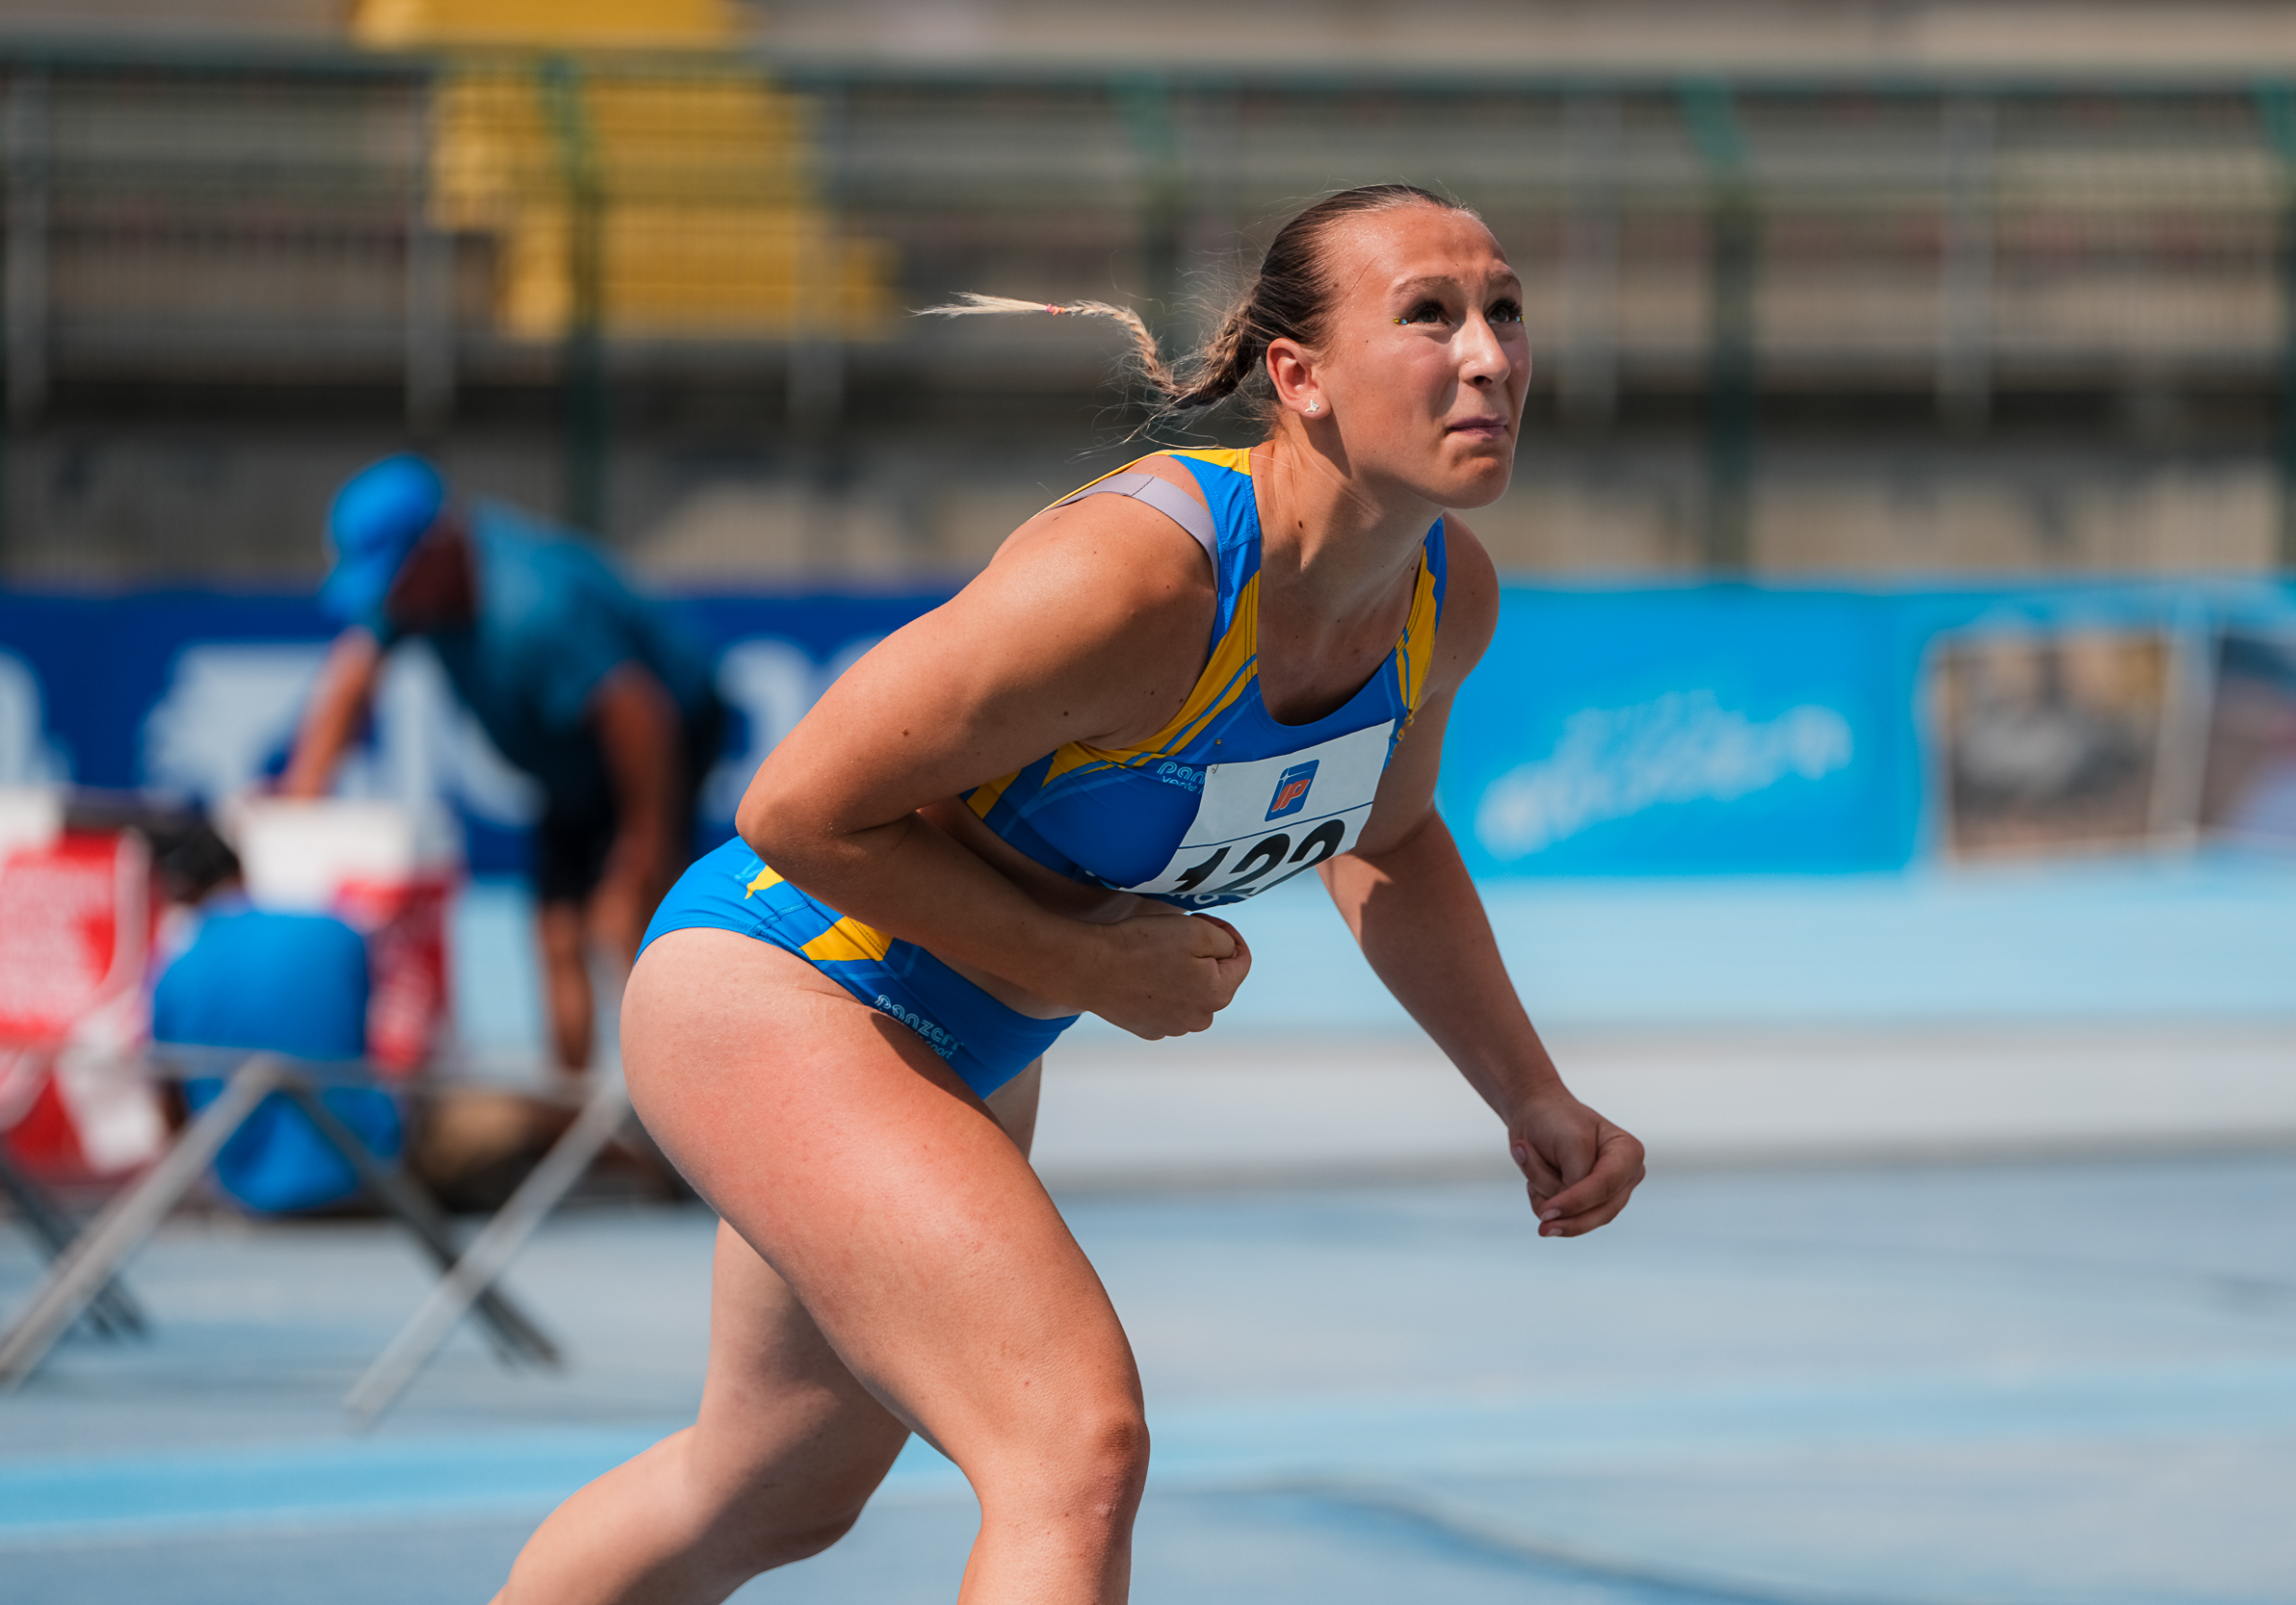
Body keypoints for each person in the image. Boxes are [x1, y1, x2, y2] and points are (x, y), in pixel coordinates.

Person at [492, 184, 1647, 1605]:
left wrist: (1528, 1091)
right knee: (1072, 1444)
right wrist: (1091, 967)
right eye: (1430, 314)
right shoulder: (1138, 579)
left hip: (970, 1041)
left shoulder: (1439, 596)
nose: (1487, 356)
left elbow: (1388, 836)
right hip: (784, 988)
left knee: (768, 1486)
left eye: (1505, 310)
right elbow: (792, 809)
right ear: (1300, 376)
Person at [283, 457, 724, 1071]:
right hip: (569, 759)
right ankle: (573, 1113)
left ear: (437, 546)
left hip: (655, 742)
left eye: (395, 580)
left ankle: (682, 1098)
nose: (390, 600)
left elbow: (640, 719)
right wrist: (300, 801)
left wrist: (642, 850)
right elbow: (353, 674)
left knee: (629, 927)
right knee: (556, 935)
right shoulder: (421, 587)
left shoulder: (534, 612)